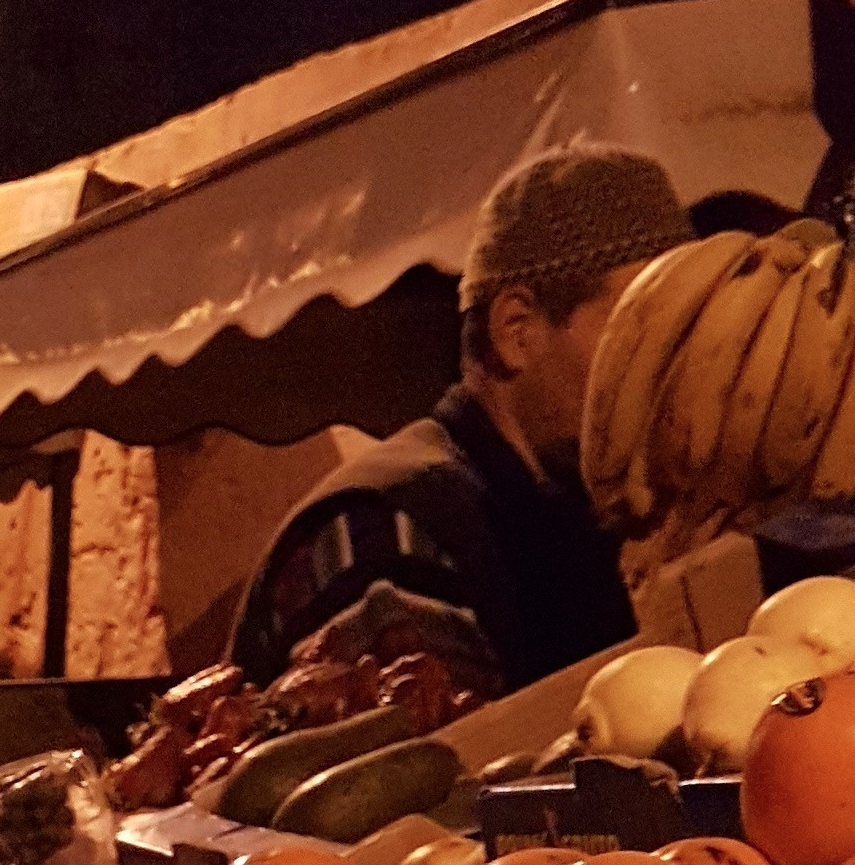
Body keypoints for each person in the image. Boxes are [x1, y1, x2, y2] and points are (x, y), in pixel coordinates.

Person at [230, 147, 694, 694]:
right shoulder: (386, 537)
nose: (676, 365)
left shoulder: (578, 510)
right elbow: (431, 765)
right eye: (645, 331)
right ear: (516, 332)